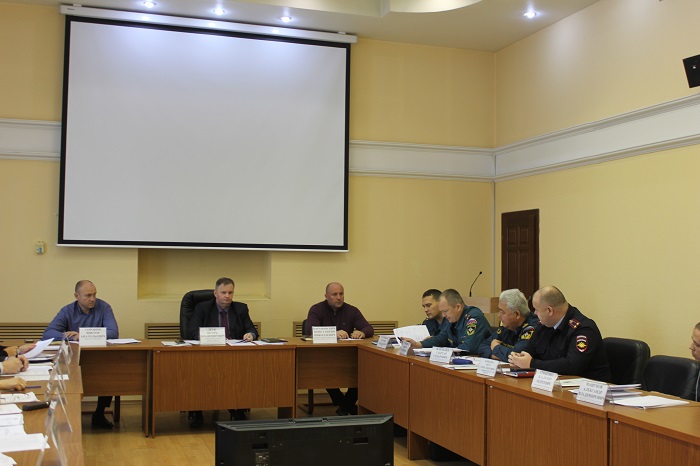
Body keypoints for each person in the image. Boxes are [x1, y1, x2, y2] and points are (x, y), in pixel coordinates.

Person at [43, 280, 120, 429]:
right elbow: (48, 334)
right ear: (76, 296)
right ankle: (69, 414)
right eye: (88, 295)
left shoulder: (104, 307)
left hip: (99, 358)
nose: (93, 299)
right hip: (73, 359)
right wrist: (68, 336)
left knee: (109, 373)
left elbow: (113, 333)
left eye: (94, 294)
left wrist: (82, 335)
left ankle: (99, 414)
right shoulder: (67, 311)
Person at [187, 277, 258, 427]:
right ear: (215, 293)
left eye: (230, 293)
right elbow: (192, 331)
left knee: (244, 372)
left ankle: (238, 408)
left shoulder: (241, 308)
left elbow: (252, 329)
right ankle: (197, 410)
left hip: (234, 355)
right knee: (200, 374)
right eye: (223, 292)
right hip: (207, 354)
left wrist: (250, 334)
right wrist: (208, 337)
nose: (227, 296)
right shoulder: (202, 308)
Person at [509, 286, 611, 382]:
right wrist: (519, 358)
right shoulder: (544, 325)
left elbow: (572, 365)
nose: (535, 313)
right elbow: (530, 349)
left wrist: (532, 364)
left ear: (549, 310)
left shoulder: (583, 329)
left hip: (588, 389)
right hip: (557, 384)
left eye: (537, 309)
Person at [305, 282, 374, 415]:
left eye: (341, 294)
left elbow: (368, 328)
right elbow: (310, 330)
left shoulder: (351, 310)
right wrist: (333, 333)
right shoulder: (316, 309)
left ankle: (344, 406)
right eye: (334, 294)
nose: (339, 297)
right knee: (323, 371)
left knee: (363, 370)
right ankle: (346, 405)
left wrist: (362, 332)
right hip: (323, 357)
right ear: (326, 296)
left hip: (346, 357)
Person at [405, 288, 492, 354]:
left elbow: (468, 347)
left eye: (445, 311)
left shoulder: (473, 317)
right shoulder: (452, 318)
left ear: (458, 307)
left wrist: (444, 352)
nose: (443, 315)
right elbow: (441, 338)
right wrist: (418, 344)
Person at [478, 289, 539, 361]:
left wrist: (495, 347)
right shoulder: (508, 325)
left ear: (517, 314)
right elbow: (483, 346)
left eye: (502, 312)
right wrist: (495, 355)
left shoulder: (531, 328)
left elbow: (518, 356)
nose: (498, 315)